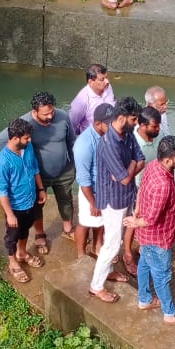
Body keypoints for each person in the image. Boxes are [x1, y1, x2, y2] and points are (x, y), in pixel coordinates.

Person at [0, 92, 76, 253]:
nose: (50, 116)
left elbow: (71, 141)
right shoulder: (24, 123)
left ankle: (68, 229)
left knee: (66, 199)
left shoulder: (62, 116)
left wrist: (74, 164)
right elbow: (0, 140)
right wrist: (19, 162)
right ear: (35, 111)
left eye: (52, 111)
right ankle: (40, 233)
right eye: (46, 114)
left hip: (63, 171)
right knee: (37, 205)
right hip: (39, 175)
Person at [124, 135, 175, 322]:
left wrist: (137, 210)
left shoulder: (153, 166)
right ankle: (170, 313)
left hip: (147, 236)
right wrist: (134, 222)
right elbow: (151, 219)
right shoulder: (163, 185)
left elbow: (141, 188)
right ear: (168, 160)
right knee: (162, 275)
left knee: (144, 263)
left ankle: (144, 299)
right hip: (158, 238)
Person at [89, 99, 145, 303]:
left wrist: (129, 168)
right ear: (121, 117)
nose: (137, 122)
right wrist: (130, 169)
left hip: (126, 194)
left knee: (115, 240)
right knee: (112, 245)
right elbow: (124, 177)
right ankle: (96, 286)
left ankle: (109, 271)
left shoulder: (128, 133)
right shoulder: (108, 145)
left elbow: (140, 160)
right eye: (134, 118)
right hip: (113, 200)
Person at [0, 117, 47, 283]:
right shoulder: (2, 162)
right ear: (15, 138)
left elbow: (34, 167)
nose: (29, 140)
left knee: (25, 230)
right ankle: (13, 262)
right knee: (12, 236)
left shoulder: (27, 147)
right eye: (26, 138)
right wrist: (9, 214)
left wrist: (41, 189)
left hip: (31, 200)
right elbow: (1, 191)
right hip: (16, 206)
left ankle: (22, 253)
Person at [122, 106, 162, 276]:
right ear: (142, 125)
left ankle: (141, 247)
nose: (158, 129)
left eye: (158, 125)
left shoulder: (153, 139)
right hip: (136, 189)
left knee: (146, 221)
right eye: (154, 126)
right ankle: (127, 254)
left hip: (150, 188)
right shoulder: (133, 142)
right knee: (134, 221)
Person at [72, 103, 115, 261]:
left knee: (102, 221)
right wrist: (93, 202)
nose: (113, 125)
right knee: (85, 222)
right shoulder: (84, 145)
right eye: (110, 123)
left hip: (106, 188)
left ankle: (97, 247)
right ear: (98, 123)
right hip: (91, 191)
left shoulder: (108, 134)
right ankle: (81, 255)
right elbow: (84, 179)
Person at [68, 64, 116, 135]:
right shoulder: (81, 101)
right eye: (102, 79)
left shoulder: (107, 87)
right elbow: (71, 125)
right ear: (90, 82)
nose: (107, 81)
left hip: (111, 134)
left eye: (106, 77)